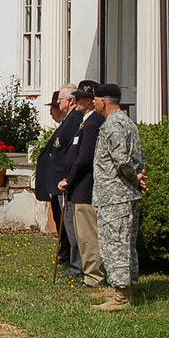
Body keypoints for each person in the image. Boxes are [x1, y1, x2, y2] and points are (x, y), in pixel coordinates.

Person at [90, 83, 147, 312]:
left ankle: (121, 296)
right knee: (125, 243)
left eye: (95, 99)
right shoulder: (128, 123)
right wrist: (139, 178)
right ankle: (121, 286)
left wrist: (134, 178)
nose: (93, 103)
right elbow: (138, 158)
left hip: (116, 196)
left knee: (116, 244)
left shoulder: (113, 126)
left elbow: (122, 161)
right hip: (124, 194)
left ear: (104, 101)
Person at [59, 80, 105, 288]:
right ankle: (89, 273)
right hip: (78, 186)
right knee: (81, 233)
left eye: (79, 98)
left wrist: (70, 179)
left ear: (89, 100)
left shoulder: (93, 122)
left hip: (84, 185)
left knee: (88, 236)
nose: (74, 101)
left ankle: (93, 277)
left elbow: (85, 157)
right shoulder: (85, 121)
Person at [35, 84, 82, 277]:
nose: (57, 106)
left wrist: (61, 180)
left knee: (70, 225)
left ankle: (74, 263)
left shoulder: (75, 120)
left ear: (70, 101)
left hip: (64, 182)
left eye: (59, 101)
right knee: (65, 224)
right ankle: (68, 259)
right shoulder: (69, 121)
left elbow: (66, 155)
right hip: (58, 182)